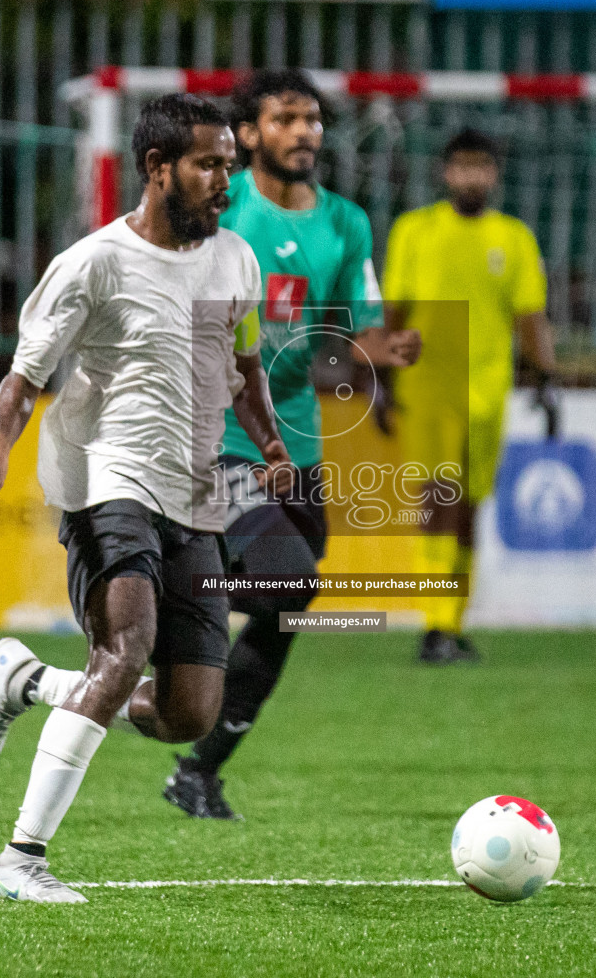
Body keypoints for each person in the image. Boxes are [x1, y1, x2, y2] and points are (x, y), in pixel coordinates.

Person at [0, 94, 292, 903]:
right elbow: (24, 375)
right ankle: (18, 860)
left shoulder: (237, 260)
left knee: (189, 714)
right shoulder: (94, 263)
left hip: (194, 492)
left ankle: (28, 683)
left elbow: (244, 370)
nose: (223, 182)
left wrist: (272, 442)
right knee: (125, 647)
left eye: (229, 168)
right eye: (208, 165)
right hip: (105, 478)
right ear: (157, 167)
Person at [161, 68, 421, 821]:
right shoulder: (221, 206)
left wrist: (381, 350)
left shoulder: (345, 222)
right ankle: (171, 603)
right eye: (285, 118)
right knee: (289, 583)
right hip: (221, 435)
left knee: (288, 605)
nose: (305, 131)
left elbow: (350, 331)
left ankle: (199, 771)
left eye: (311, 119)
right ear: (247, 135)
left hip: (297, 447)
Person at [382, 128, 558, 665]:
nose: (472, 175)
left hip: (486, 393)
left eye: (481, 166)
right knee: (436, 501)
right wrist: (380, 381)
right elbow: (395, 310)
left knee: (468, 509)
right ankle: (434, 626)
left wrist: (546, 379)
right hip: (428, 388)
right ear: (445, 172)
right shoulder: (415, 231)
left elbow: (529, 316)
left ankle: (451, 625)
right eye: (462, 165)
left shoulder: (514, 239)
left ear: (494, 175)